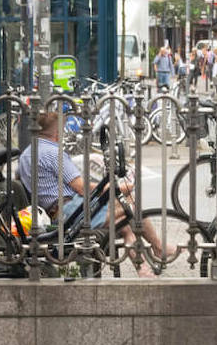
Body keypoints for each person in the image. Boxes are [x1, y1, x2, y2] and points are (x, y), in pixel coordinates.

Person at [18, 110, 171, 277]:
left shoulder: (27, 154)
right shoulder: (53, 153)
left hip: (57, 210)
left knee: (126, 225)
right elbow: (82, 188)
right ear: (57, 132)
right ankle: (158, 248)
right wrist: (114, 189)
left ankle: (144, 268)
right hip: (71, 212)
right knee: (132, 207)